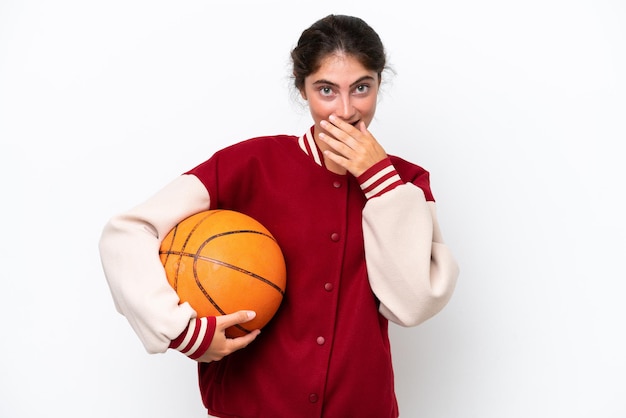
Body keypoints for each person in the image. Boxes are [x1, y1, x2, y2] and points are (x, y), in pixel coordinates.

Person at [99, 14, 459, 418]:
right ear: (301, 88)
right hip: (251, 406)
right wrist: (182, 329)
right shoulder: (250, 163)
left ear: (379, 84)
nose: (345, 110)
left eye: (361, 88)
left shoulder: (405, 182)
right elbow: (127, 233)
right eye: (326, 90)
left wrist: (378, 180)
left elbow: (413, 303)